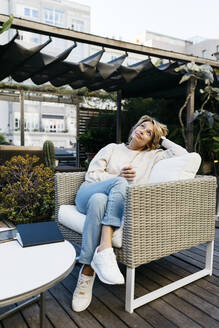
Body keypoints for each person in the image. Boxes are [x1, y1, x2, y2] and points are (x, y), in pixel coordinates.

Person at [72, 115, 188, 312]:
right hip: (87, 191)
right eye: (142, 126)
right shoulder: (112, 148)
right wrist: (116, 177)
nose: (142, 131)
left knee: (99, 201)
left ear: (152, 141)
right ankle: (105, 249)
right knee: (118, 184)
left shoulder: (153, 156)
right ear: (135, 127)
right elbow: (90, 175)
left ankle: (86, 273)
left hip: (101, 204)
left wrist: (162, 139)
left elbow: (183, 154)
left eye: (149, 132)